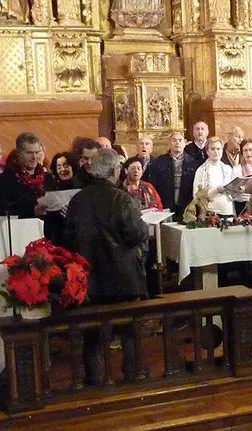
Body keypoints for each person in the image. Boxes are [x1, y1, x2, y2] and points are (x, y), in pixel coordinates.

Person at [64, 148, 150, 384]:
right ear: (115, 170)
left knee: (93, 333)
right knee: (129, 330)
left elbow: (68, 237)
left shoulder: (78, 199)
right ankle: (133, 374)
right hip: (123, 276)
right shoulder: (122, 198)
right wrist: (143, 224)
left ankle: (95, 377)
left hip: (89, 277)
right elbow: (135, 233)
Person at [0, 132, 56, 219]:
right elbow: (2, 212)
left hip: (48, 230)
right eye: (29, 153)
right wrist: (31, 212)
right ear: (18, 153)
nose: (34, 157)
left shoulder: (47, 177)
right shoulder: (5, 179)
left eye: (37, 152)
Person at [146, 132, 199, 218]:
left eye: (180, 140)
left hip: (186, 205)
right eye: (174, 140)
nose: (177, 143)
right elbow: (153, 185)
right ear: (169, 144)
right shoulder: (159, 162)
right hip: (165, 204)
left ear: (184, 144)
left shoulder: (193, 163)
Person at [193, 137, 234, 216]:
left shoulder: (228, 169)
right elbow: (196, 197)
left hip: (228, 211)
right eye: (213, 149)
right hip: (210, 214)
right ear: (207, 152)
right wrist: (216, 190)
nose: (216, 152)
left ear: (222, 151)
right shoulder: (201, 170)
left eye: (218, 149)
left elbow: (233, 193)